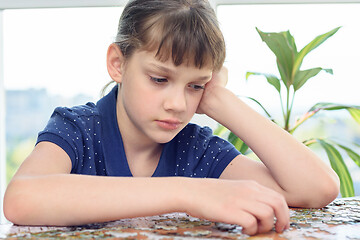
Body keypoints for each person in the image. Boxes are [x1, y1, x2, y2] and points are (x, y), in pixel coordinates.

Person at [3, 0, 339, 236]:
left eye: (195, 85)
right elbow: (22, 199)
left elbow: (318, 189)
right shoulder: (78, 128)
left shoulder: (197, 148)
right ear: (118, 64)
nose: (178, 104)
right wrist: (188, 193)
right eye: (159, 79)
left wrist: (221, 101)